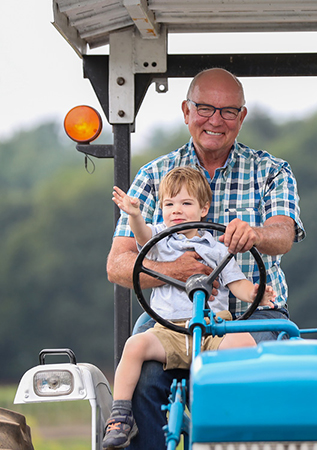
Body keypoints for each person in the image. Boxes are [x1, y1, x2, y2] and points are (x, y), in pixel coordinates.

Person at [106, 67, 305, 449]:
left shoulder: (271, 171)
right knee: (146, 380)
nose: (215, 120)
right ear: (186, 111)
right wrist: (171, 272)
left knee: (246, 370)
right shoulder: (154, 176)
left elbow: (283, 235)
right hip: (173, 316)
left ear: (242, 117)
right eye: (204, 108)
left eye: (229, 111)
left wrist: (256, 234)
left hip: (251, 313)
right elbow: (118, 264)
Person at [103, 167, 275, 449]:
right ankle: (120, 415)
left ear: (203, 208)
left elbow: (237, 284)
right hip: (169, 331)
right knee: (134, 345)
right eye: (169, 204)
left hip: (210, 330)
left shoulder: (218, 248)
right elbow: (143, 235)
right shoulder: (159, 241)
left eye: (185, 203)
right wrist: (134, 215)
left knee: (246, 342)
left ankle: (243, 416)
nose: (176, 211)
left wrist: (255, 292)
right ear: (161, 208)